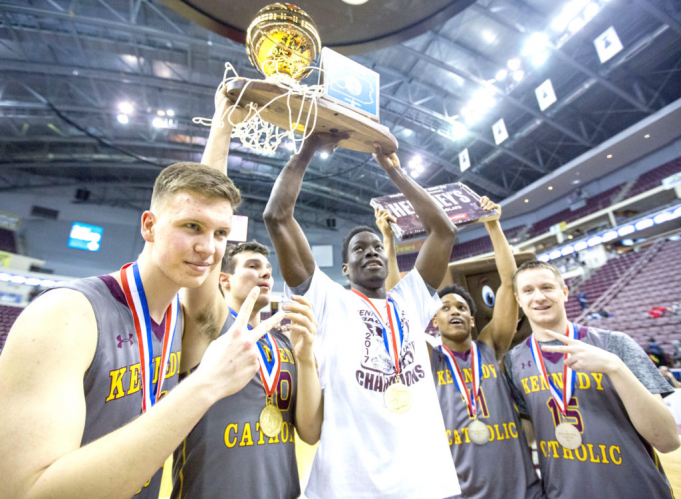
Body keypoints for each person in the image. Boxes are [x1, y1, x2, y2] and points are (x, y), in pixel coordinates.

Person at [0, 161, 285, 498]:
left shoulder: (177, 321)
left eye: (220, 233)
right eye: (192, 226)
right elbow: (24, 492)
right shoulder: (64, 315)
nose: (209, 248)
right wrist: (206, 384)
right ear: (149, 226)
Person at [264, 141, 460, 498]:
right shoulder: (327, 300)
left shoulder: (411, 299)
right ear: (345, 268)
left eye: (376, 247)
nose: (371, 250)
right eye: (359, 249)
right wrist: (311, 145)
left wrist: (393, 170)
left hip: (426, 484)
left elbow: (444, 231)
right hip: (350, 486)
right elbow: (276, 216)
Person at [171, 90, 321, 499]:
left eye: (268, 269)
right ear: (222, 280)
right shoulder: (208, 328)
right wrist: (223, 125)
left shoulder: (284, 345)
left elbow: (309, 432)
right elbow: (204, 204)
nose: (265, 274)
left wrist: (306, 357)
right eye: (252, 267)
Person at [504, 260, 679, 499]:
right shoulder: (514, 361)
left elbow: (668, 440)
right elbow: (528, 436)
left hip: (637, 490)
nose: (539, 297)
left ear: (564, 292)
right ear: (518, 300)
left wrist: (614, 367)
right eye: (528, 290)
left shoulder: (615, 344)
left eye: (547, 287)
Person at [429, 197, 543, 499]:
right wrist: (390, 240)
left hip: (522, 491)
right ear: (434, 322)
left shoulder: (490, 346)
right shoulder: (428, 360)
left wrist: (493, 225)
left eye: (462, 307)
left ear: (472, 317)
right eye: (445, 307)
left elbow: (509, 282)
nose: (455, 311)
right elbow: (399, 311)